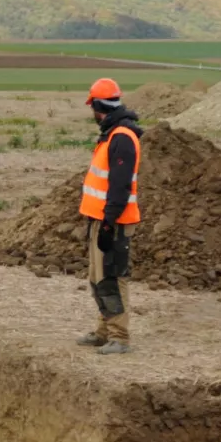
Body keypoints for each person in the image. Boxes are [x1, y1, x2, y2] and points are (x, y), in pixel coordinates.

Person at [76, 79, 142, 355]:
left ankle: (120, 337)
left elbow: (120, 185)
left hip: (114, 222)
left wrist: (108, 222)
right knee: (98, 277)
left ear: (98, 107)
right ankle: (104, 331)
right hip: (101, 219)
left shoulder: (122, 138)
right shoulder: (112, 134)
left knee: (113, 278)